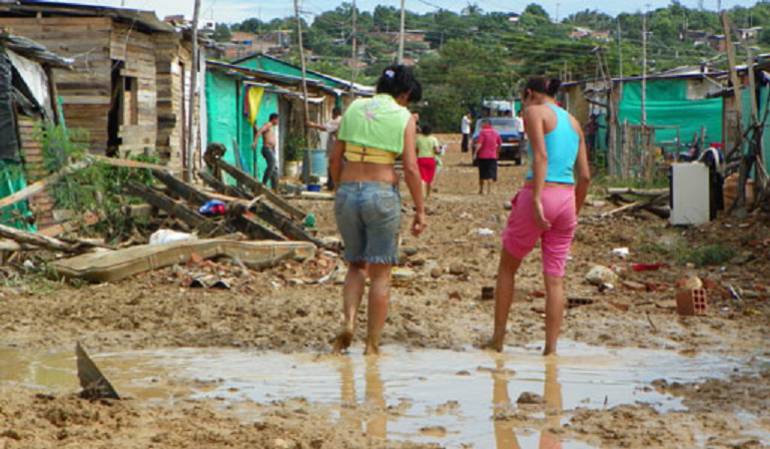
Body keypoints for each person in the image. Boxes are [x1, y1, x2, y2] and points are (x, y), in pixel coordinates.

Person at [485, 77, 591, 356]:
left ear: (529, 94)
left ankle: (498, 340)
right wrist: (575, 211)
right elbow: (586, 176)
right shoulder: (574, 123)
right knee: (555, 279)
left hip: (541, 192)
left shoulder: (534, 112)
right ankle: (550, 349)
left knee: (508, 268)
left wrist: (535, 198)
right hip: (567, 199)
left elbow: (540, 157)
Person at [329, 65, 426, 355]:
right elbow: (410, 167)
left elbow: (336, 159)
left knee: (355, 265)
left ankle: (348, 321)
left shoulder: (354, 107)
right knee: (381, 272)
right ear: (405, 94)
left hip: (347, 191)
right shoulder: (404, 116)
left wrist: (340, 190)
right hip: (381, 193)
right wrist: (421, 209)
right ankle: (371, 344)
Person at [307, 106, 343, 190]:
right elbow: (326, 126)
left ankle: (333, 184)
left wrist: (313, 125)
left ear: (335, 114)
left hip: (335, 146)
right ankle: (331, 183)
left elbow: (325, 128)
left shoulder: (338, 121)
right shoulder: (335, 120)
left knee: (333, 164)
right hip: (333, 145)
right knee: (331, 164)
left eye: (332, 114)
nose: (331, 115)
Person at [474, 119, 502, 195]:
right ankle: (489, 190)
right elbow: (499, 143)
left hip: (483, 156)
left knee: (482, 173)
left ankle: (481, 190)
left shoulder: (482, 133)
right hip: (492, 156)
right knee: (491, 173)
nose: (481, 125)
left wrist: (475, 153)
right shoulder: (495, 133)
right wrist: (497, 152)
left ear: (486, 124)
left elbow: (479, 144)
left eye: (483, 124)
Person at [253, 113, 280, 190]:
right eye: (277, 120)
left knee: (275, 170)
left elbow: (260, 130)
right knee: (271, 165)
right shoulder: (268, 124)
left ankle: (275, 189)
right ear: (274, 119)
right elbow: (260, 132)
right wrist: (255, 142)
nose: (278, 122)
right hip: (266, 148)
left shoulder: (272, 127)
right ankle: (263, 184)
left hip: (271, 150)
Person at [415, 124, 441, 199]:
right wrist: (439, 151)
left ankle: (422, 195)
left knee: (422, 178)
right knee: (429, 179)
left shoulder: (418, 139)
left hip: (421, 159)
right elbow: (437, 150)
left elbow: (416, 150)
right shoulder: (433, 139)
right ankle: (428, 195)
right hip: (430, 159)